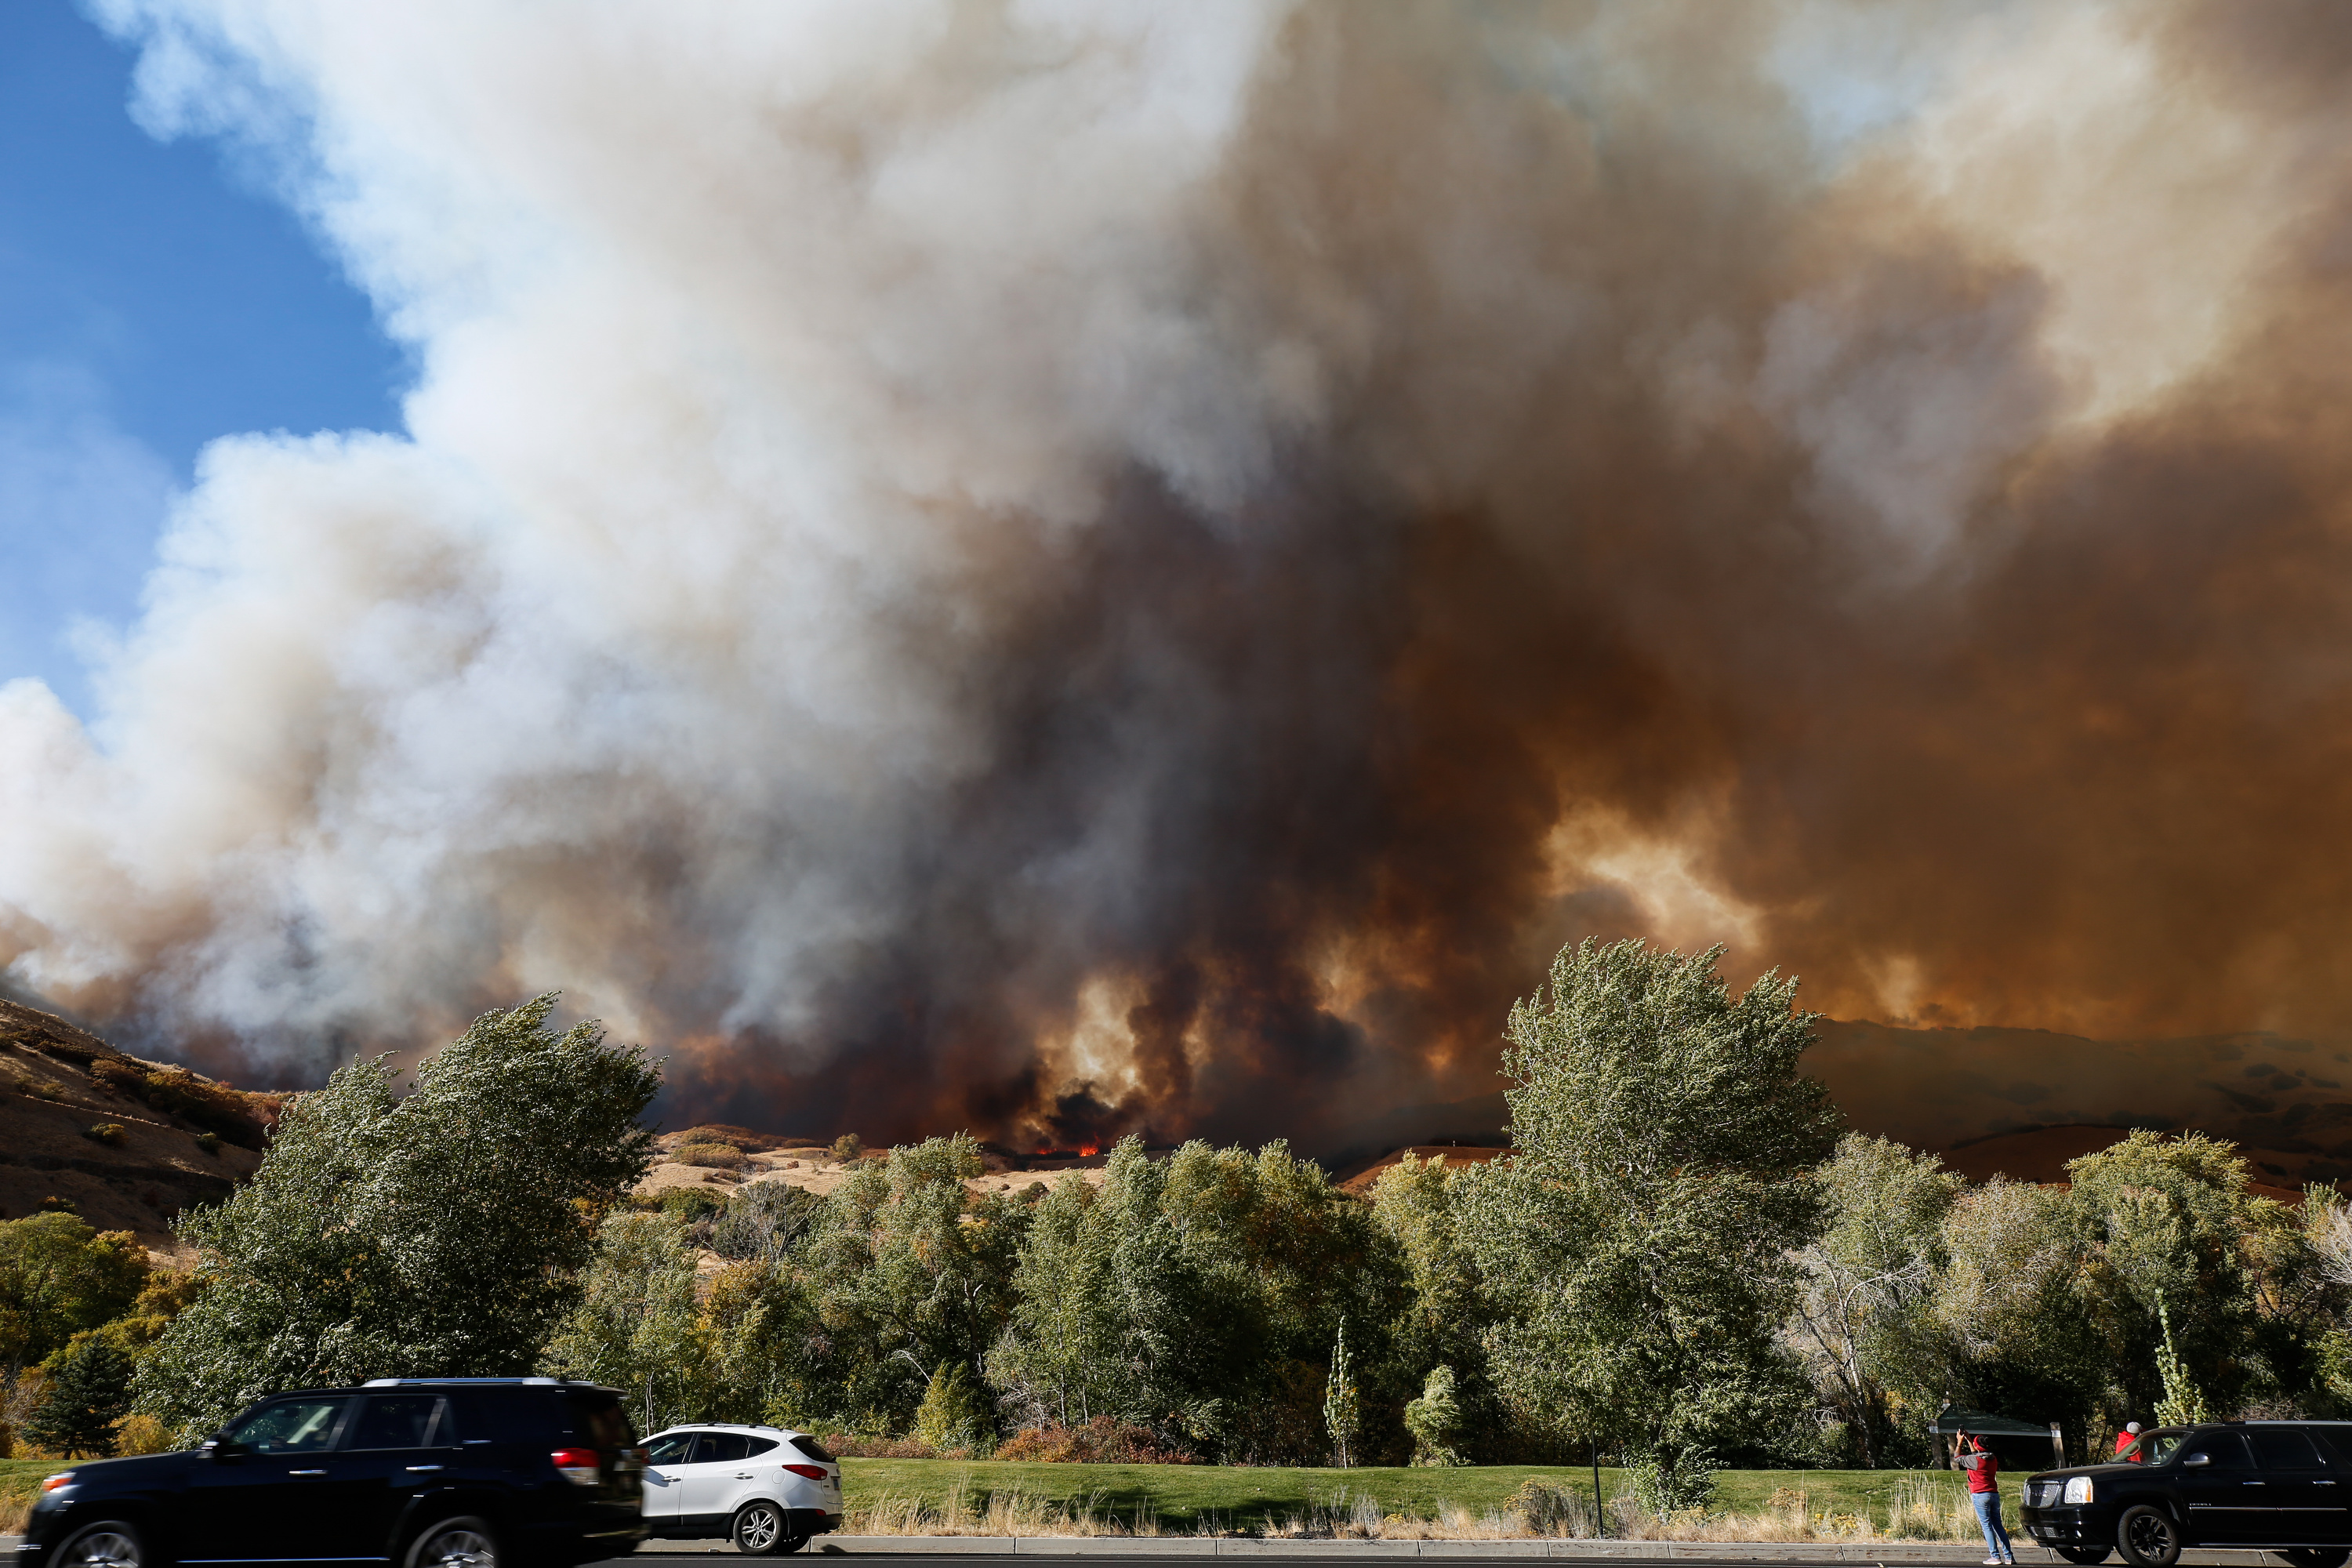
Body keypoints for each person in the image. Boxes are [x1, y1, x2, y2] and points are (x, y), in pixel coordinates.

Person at [1956, 1432, 2016, 1566]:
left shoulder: (1975, 1461)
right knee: (1998, 1526)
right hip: (1994, 1494)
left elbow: (1957, 1457)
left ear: (1978, 1447)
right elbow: (1976, 1454)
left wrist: (1960, 1441)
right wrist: (1970, 1440)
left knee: (1987, 1526)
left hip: (1980, 1495)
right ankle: (2009, 1556)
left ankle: (1995, 1556)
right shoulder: (1992, 1458)